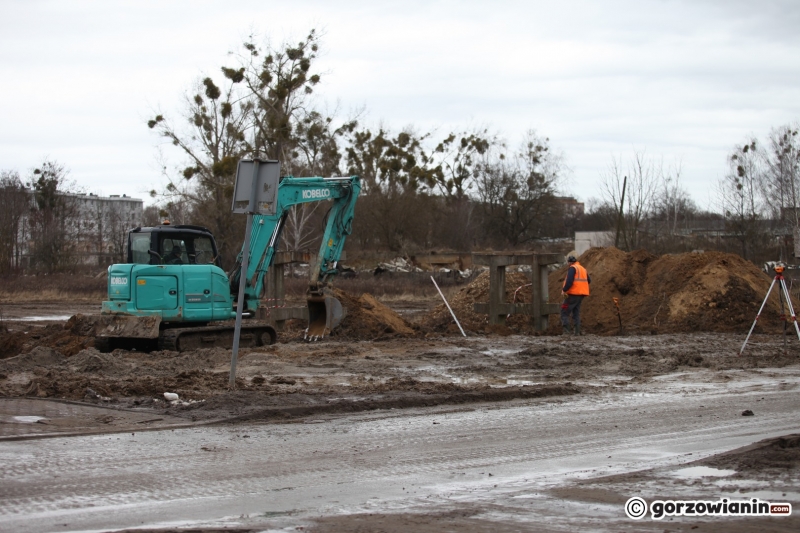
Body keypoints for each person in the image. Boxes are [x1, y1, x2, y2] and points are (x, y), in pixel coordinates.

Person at [561, 255, 590, 335]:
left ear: (570, 262)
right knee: (576, 312)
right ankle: (577, 332)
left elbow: (569, 281)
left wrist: (564, 290)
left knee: (564, 311)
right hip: (581, 294)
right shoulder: (582, 268)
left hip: (573, 293)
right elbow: (589, 280)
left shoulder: (572, 268)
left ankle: (566, 332)